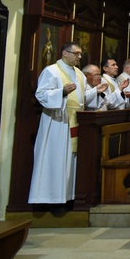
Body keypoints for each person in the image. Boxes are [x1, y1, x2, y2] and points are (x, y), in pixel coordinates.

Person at [29, 43, 96, 204]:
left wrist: (96, 91)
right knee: (56, 158)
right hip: (57, 121)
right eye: (77, 53)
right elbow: (41, 95)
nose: (80, 57)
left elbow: (83, 97)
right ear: (65, 53)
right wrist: (62, 92)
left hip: (74, 120)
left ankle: (68, 196)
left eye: (80, 54)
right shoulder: (51, 71)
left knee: (70, 160)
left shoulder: (79, 73)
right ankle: (50, 198)